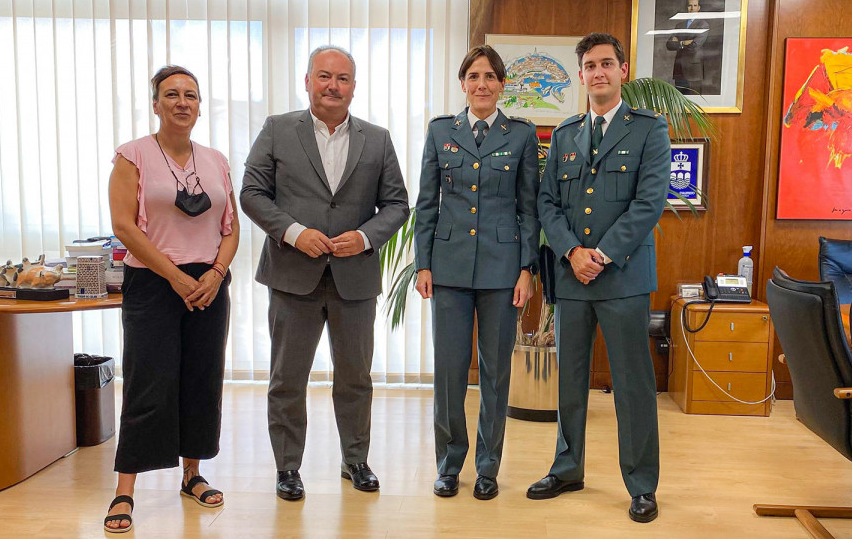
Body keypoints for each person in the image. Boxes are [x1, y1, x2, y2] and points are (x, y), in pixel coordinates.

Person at [240, 45, 409, 501]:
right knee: (288, 378)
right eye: (324, 76)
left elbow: (396, 203)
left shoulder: (377, 138)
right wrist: (293, 232)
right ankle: (288, 468)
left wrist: (367, 236)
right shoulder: (277, 129)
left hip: (354, 277)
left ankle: (355, 459)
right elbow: (252, 193)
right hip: (293, 275)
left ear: (354, 86)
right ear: (308, 80)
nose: (333, 86)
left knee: (355, 377)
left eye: (343, 78)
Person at [530, 33, 670, 523]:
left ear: (623, 70)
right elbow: (546, 202)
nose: (598, 73)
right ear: (582, 75)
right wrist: (571, 251)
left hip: (624, 278)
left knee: (632, 384)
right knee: (569, 381)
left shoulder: (650, 129)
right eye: (589, 66)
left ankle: (641, 484)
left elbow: (649, 203)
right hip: (572, 277)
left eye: (606, 64)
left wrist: (603, 254)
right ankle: (567, 468)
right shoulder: (566, 132)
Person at [105, 66, 239, 533]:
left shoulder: (217, 159)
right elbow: (124, 227)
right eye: (172, 95)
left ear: (200, 105)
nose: (183, 102)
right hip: (154, 283)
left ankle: (193, 474)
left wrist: (216, 274)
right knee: (148, 382)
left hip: (209, 285)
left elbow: (231, 227)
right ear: (156, 103)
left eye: (191, 95)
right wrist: (176, 277)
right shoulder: (132, 155)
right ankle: (125, 491)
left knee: (201, 380)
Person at [414, 45, 540, 500]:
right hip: (447, 270)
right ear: (462, 83)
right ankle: (449, 464)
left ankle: (488, 467)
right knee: (449, 371)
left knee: (494, 372)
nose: (481, 84)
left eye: (490, 76)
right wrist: (422, 263)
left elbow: (529, 208)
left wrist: (527, 270)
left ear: (502, 85)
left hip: (502, 271)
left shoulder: (521, 135)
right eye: (473, 76)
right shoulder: (440, 132)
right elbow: (427, 204)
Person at [665, 0, 709, 94]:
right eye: (690, 5)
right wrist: (683, 42)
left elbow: (694, 47)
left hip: (693, 70)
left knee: (694, 102)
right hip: (679, 69)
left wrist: (679, 42)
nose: (692, 8)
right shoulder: (679, 25)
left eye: (695, 5)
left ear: (699, 8)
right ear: (686, 7)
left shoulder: (703, 25)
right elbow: (669, 45)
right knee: (679, 102)